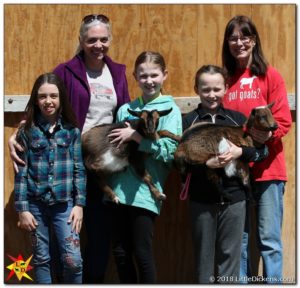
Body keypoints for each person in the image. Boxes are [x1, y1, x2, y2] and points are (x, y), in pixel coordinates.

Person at [9, 14, 130, 283]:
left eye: (103, 39)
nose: (98, 45)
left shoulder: (118, 72)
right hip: (68, 158)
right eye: (91, 40)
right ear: (81, 40)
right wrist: (17, 134)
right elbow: (45, 99)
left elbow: (126, 111)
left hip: (102, 165)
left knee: (98, 234)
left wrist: (133, 132)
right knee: (53, 242)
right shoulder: (66, 71)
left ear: (109, 39)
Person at [221, 15, 292, 283]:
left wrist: (260, 138)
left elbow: (282, 121)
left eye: (244, 37)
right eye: (233, 38)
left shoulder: (269, 75)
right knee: (239, 240)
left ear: (254, 40)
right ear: (227, 42)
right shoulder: (226, 79)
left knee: (269, 240)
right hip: (235, 173)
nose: (239, 43)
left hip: (268, 171)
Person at [182, 65, 269, 284]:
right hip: (202, 201)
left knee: (230, 261)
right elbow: (179, 162)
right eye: (206, 89)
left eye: (217, 89)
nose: (211, 95)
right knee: (204, 261)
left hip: (234, 200)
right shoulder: (188, 121)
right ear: (197, 89)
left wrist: (241, 151)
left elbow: (262, 151)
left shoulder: (237, 119)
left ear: (226, 89)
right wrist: (206, 164)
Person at [105, 51, 182, 283]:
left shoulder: (170, 110)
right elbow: (114, 147)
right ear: (135, 77)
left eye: (154, 75)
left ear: (164, 75)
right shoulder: (125, 109)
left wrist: (136, 137)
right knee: (120, 253)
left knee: (142, 253)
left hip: (145, 194)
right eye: (143, 75)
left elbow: (169, 152)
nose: (149, 80)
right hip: (118, 191)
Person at [14, 73, 86, 284]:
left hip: (65, 206)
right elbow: (21, 171)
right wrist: (22, 209)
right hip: (35, 206)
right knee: (42, 258)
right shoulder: (26, 131)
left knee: (73, 261)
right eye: (42, 96)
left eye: (53, 96)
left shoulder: (72, 131)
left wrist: (79, 204)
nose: (48, 101)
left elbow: (79, 169)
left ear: (61, 98)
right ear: (36, 100)